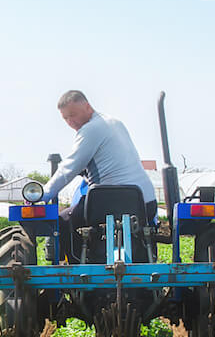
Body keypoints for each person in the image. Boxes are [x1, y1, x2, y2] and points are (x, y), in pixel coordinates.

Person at [42, 90, 158, 258]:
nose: (70, 122)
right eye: (65, 118)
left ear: (87, 106)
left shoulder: (90, 129)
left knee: (64, 221)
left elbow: (68, 169)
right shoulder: (115, 123)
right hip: (145, 203)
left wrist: (43, 195)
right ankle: (147, 256)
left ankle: (75, 268)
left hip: (107, 203)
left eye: (73, 115)